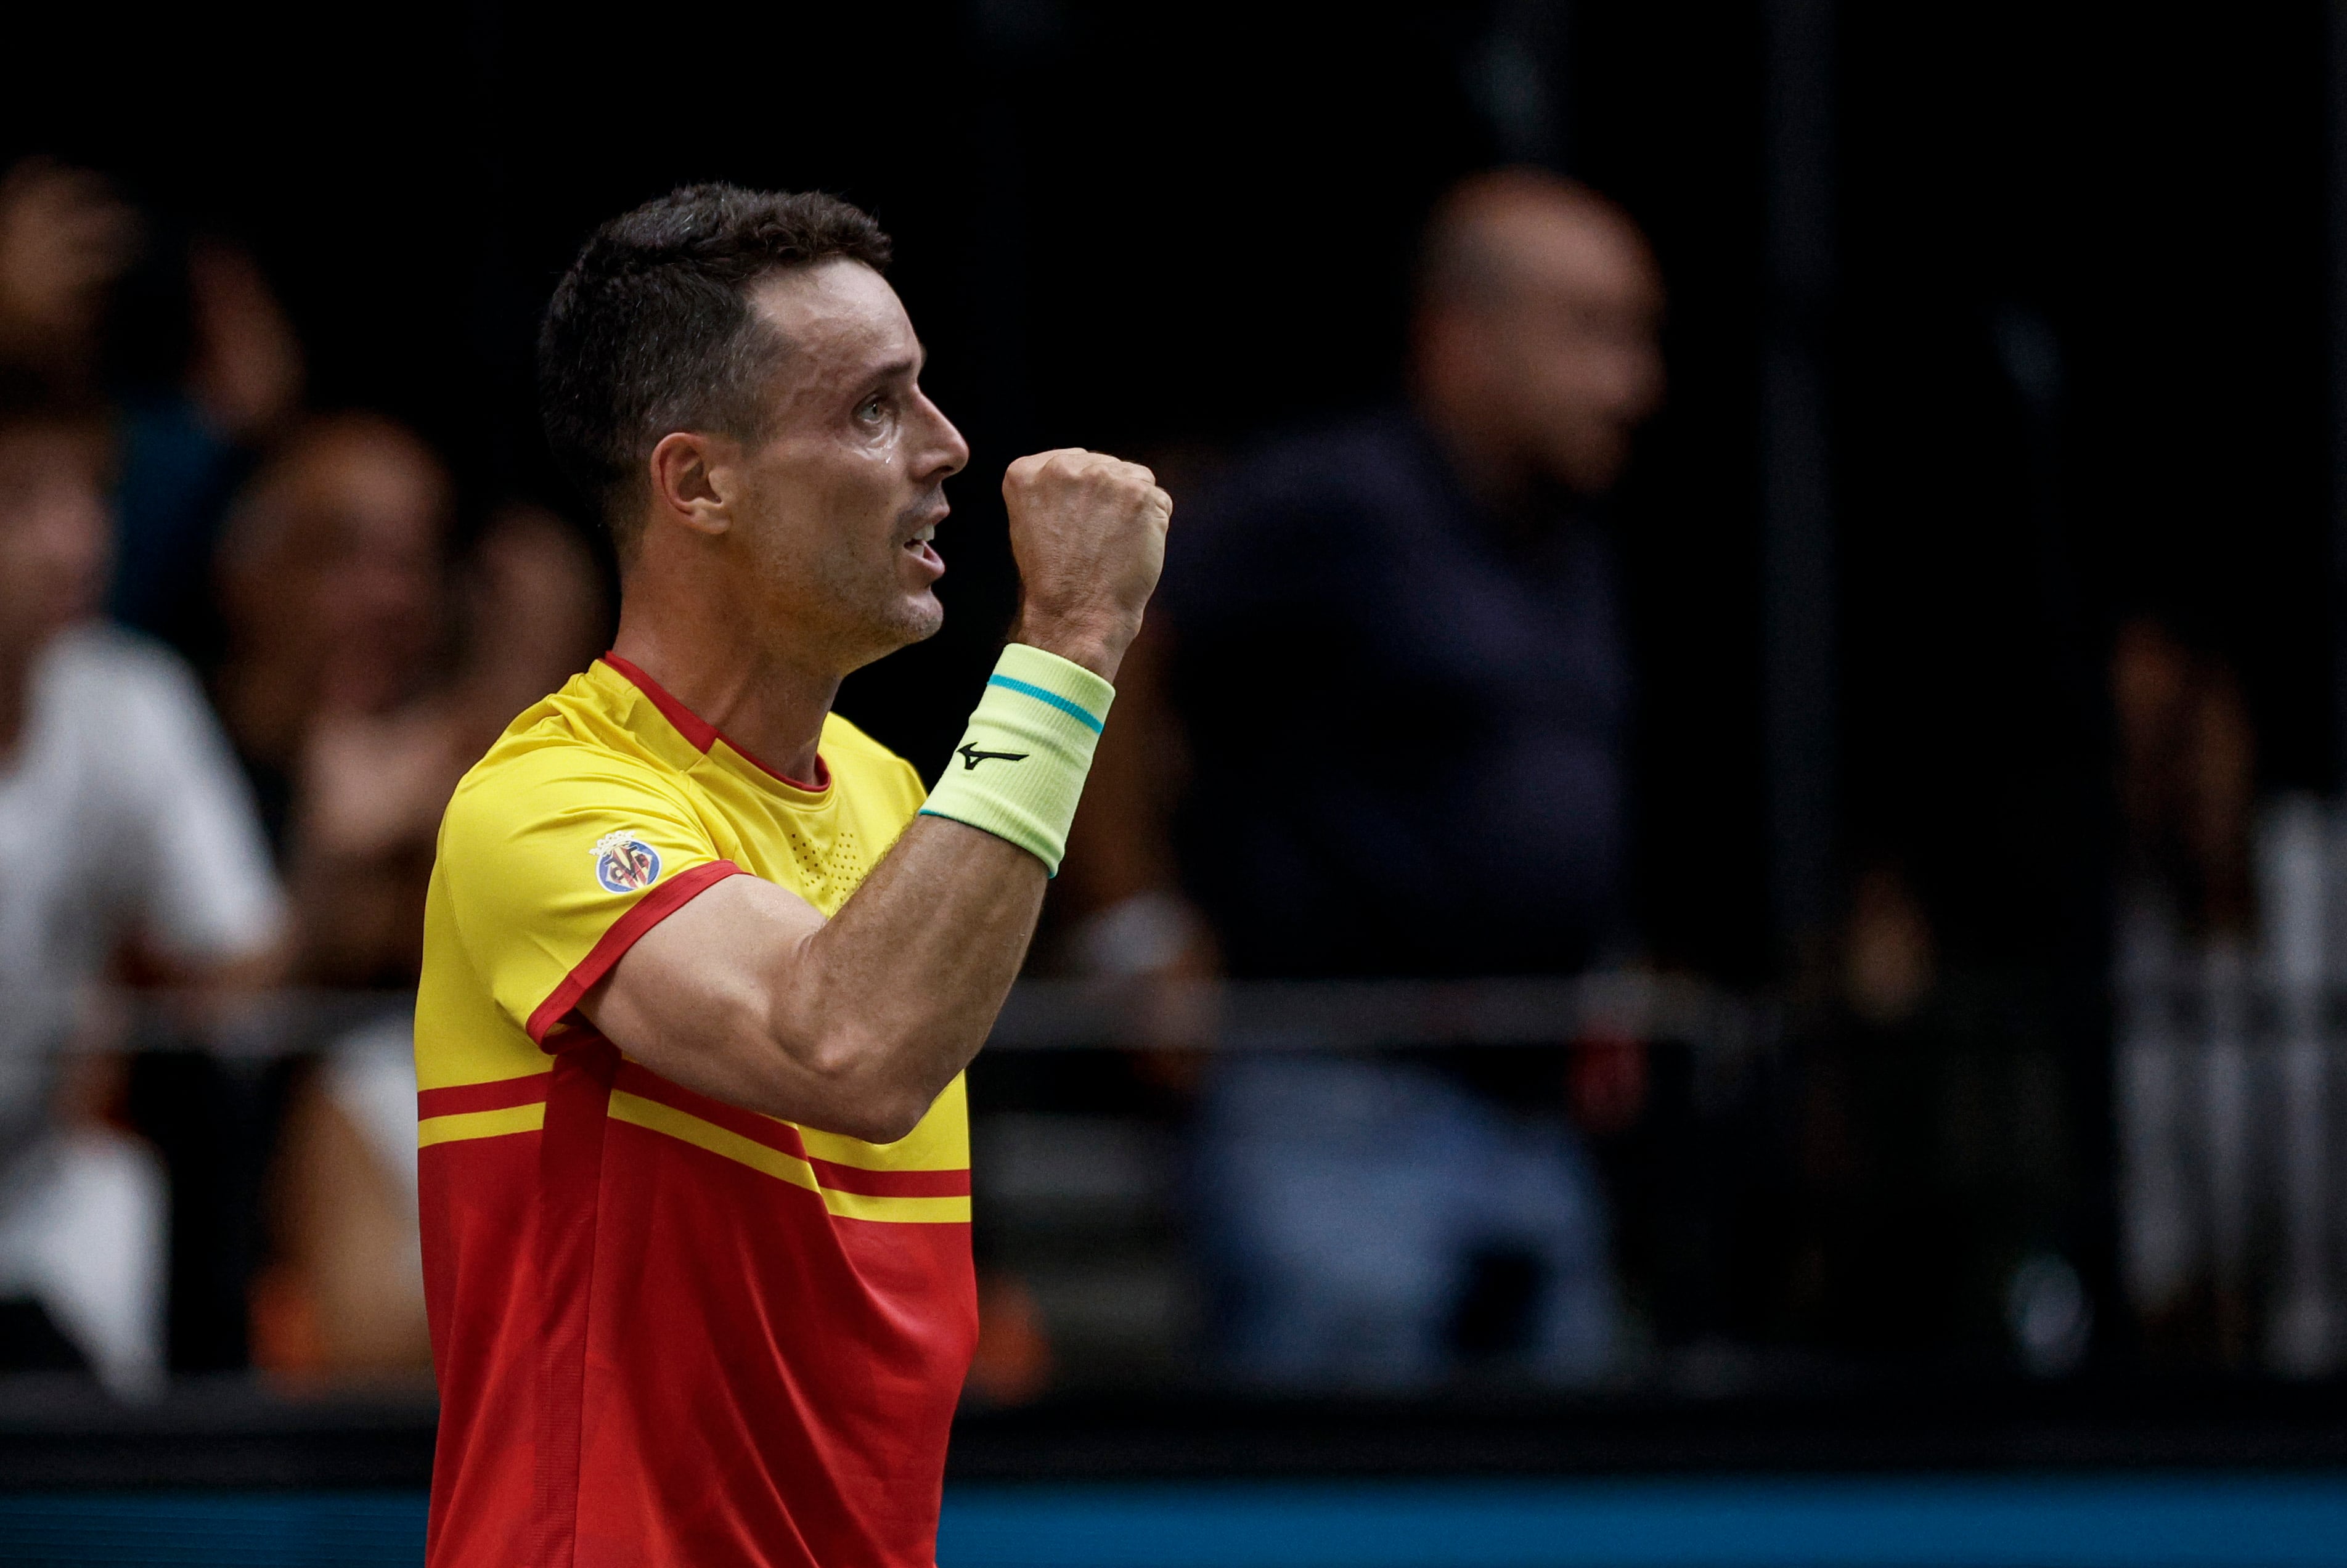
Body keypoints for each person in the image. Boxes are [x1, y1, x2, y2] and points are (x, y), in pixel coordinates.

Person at [417, 186, 1168, 1566]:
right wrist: (1067, 639)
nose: (946, 449)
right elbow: (843, 1047)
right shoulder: (544, 803)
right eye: (873, 410)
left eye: (924, 397)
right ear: (697, 482)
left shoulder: (901, 800)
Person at [1061, 168, 1664, 1387]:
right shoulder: (1328, 502)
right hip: (1326, 1106)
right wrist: (1130, 925)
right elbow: (1104, 643)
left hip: (1529, 1119)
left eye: (1640, 337)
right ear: (1461, 337)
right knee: (1335, 1497)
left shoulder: (1567, 543)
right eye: (1589, 333)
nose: (1631, 383)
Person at [0, 383, 285, 1394]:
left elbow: (247, 961)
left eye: (90, 494)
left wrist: (131, 1017)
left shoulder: (129, 699)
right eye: (25, 499)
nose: (77, 537)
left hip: (43, 1188)